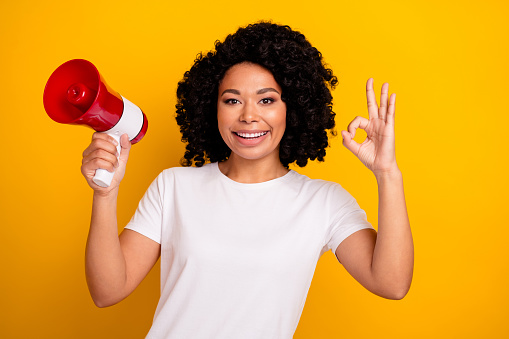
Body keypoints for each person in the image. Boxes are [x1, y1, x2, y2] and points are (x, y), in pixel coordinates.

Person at [81, 22, 413, 338]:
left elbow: (392, 283)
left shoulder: (323, 202)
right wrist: (105, 195)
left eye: (266, 100)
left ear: (292, 108)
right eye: (233, 100)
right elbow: (107, 291)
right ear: (213, 108)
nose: (248, 115)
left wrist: (388, 174)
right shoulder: (174, 187)